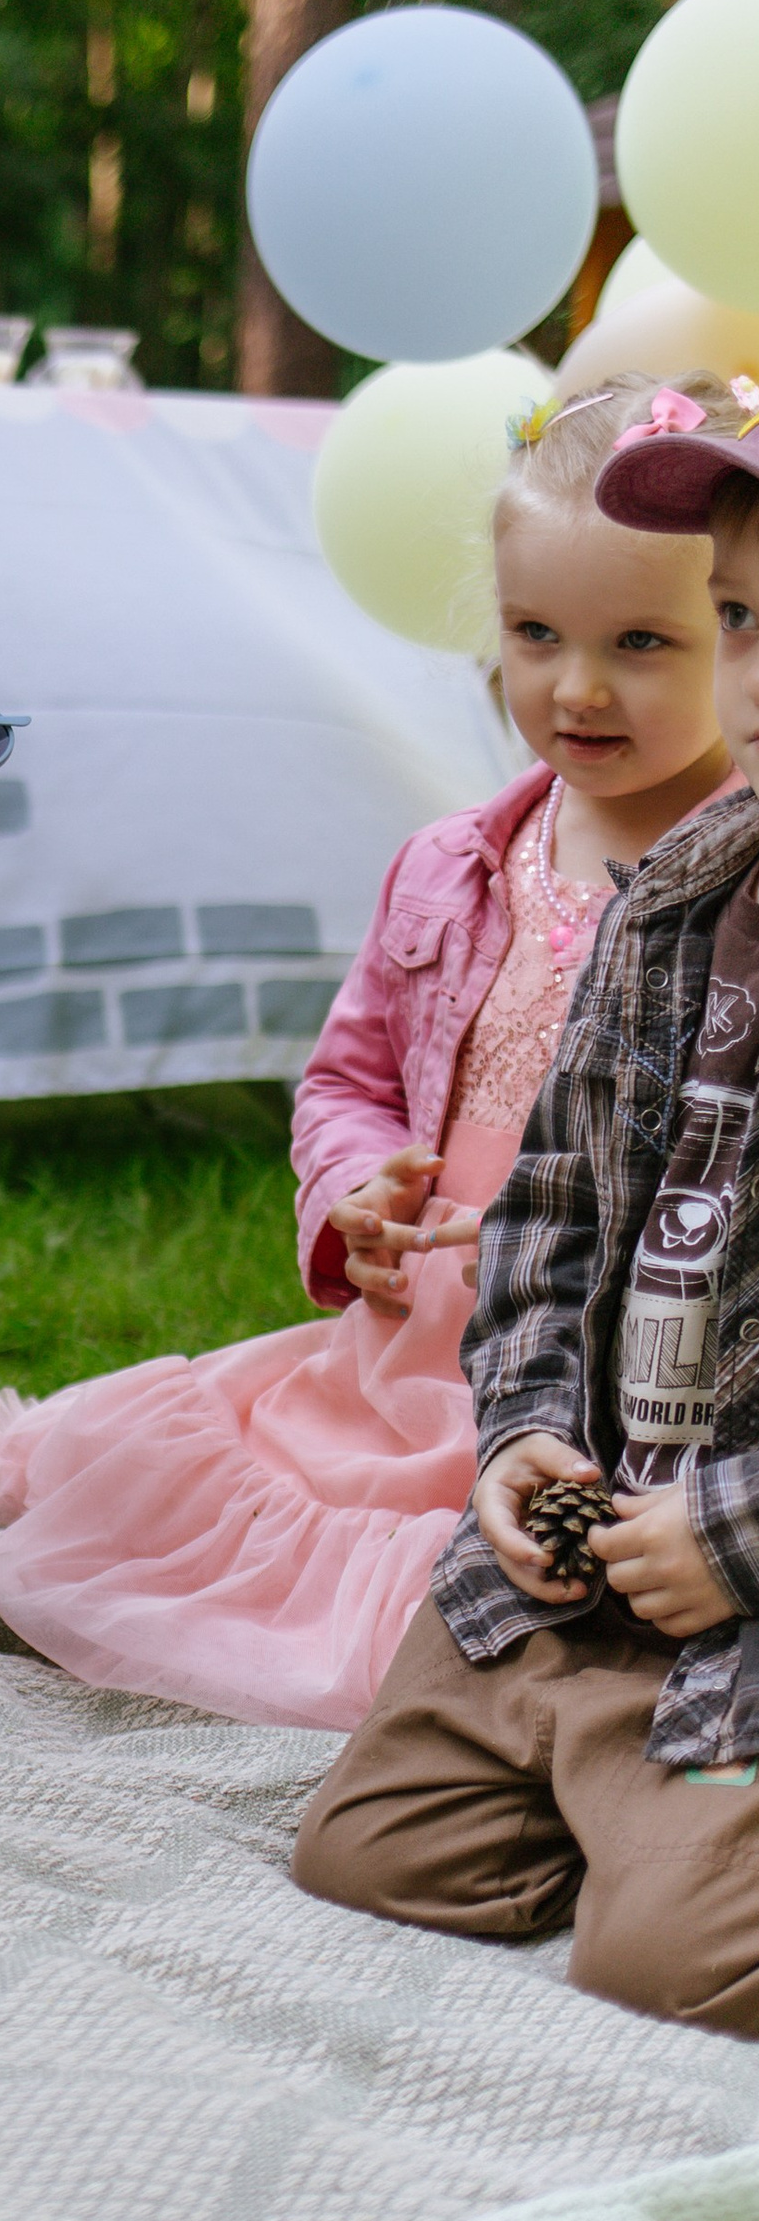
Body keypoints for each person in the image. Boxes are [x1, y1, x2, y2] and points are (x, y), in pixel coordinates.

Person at [0, 377, 737, 1733]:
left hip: (595, 1370)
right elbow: (347, 1081)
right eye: (534, 633)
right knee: (193, 1492)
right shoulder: (451, 869)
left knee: (479, 1589)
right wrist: (355, 1190)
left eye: (645, 643)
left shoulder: (736, 895)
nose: (577, 686)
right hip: (401, 1351)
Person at [291, 380, 759, 2035]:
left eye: (667, 641)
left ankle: (679, 1840)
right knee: (369, 1852)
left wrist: (731, 1532)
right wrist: (522, 1440)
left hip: (735, 1537)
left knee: (668, 1971)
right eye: (746, 623)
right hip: (606, 1520)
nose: (582, 687)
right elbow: (551, 1224)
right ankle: (625, 1791)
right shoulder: (674, 904)